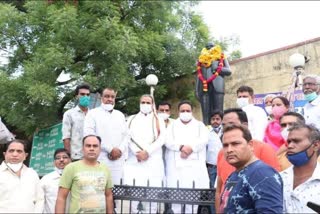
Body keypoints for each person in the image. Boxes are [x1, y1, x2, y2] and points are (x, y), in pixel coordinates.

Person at [215, 108, 280, 211]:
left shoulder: (263, 173)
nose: (229, 150)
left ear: (250, 145)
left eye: (235, 144)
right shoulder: (235, 173)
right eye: (225, 145)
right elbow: (219, 191)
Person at [165, 100, 209, 213]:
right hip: (176, 169)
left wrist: (191, 148)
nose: (185, 112)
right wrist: (181, 147)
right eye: (182, 110)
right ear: (178, 112)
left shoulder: (200, 125)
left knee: (192, 204)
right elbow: (167, 141)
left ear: (192, 111)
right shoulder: (172, 126)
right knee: (176, 203)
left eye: (187, 110)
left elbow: (204, 140)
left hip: (194, 169)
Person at [123, 94, 165, 213]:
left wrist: (148, 152)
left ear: (152, 105)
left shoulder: (159, 119)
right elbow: (127, 137)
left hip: (152, 162)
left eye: (148, 103)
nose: (145, 105)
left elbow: (162, 138)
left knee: (152, 199)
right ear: (139, 103)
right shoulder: (131, 119)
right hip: (135, 161)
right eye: (143, 102)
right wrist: (137, 152)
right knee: (134, 199)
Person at [55, 135, 114, 213]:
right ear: (82, 149)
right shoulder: (71, 168)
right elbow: (61, 197)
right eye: (88, 146)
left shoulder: (105, 169)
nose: (91, 148)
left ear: (99, 149)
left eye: (95, 146)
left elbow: (109, 196)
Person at [84, 87, 129, 186]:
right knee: (99, 190)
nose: (110, 99)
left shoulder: (120, 115)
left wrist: (119, 150)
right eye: (107, 96)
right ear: (101, 97)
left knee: (117, 192)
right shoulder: (92, 114)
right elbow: (89, 135)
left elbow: (126, 136)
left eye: (112, 97)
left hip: (118, 160)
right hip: (100, 158)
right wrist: (110, 149)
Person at [281, 123, 320, 213]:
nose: (290, 146)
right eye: (289, 142)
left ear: (315, 145)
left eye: (296, 141)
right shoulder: (278, 179)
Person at [0, 140, 44, 213]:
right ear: (5, 154)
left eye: (19, 151)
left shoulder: (32, 174)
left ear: (25, 156)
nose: (15, 154)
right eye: (11, 151)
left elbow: (39, 199)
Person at [195, 42, 232, 125]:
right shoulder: (201, 59)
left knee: (218, 112)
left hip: (217, 87)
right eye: (207, 47)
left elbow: (229, 71)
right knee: (205, 113)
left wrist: (217, 69)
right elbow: (198, 74)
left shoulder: (221, 57)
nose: (209, 48)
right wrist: (196, 90)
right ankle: (206, 129)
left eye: (211, 46)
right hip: (204, 88)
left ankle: (219, 130)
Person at [62, 83, 91, 161]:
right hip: (76, 157)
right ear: (77, 96)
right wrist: (68, 157)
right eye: (82, 94)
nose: (85, 97)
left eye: (88, 95)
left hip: (92, 157)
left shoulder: (94, 115)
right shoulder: (69, 114)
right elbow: (66, 137)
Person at [40, 148, 71, 213]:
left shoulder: (75, 178)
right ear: (54, 162)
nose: (61, 160)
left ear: (70, 160)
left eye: (65, 157)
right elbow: (39, 201)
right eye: (58, 158)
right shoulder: (46, 179)